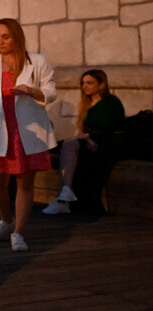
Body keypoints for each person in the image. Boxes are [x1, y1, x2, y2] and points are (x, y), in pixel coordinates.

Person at [0, 18, 57, 252]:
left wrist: (31, 91)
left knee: (25, 182)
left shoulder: (38, 61)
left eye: (5, 37)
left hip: (26, 130)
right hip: (0, 130)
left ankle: (18, 232)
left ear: (16, 36)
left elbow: (51, 92)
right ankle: (6, 219)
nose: (0, 42)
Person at [44, 69, 126, 214]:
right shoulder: (87, 104)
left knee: (69, 144)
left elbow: (105, 130)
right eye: (83, 83)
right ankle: (65, 193)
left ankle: (63, 196)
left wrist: (85, 138)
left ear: (101, 84)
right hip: (92, 141)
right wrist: (86, 138)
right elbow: (87, 131)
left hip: (109, 143)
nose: (85, 86)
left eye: (90, 83)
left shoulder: (111, 102)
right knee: (64, 146)